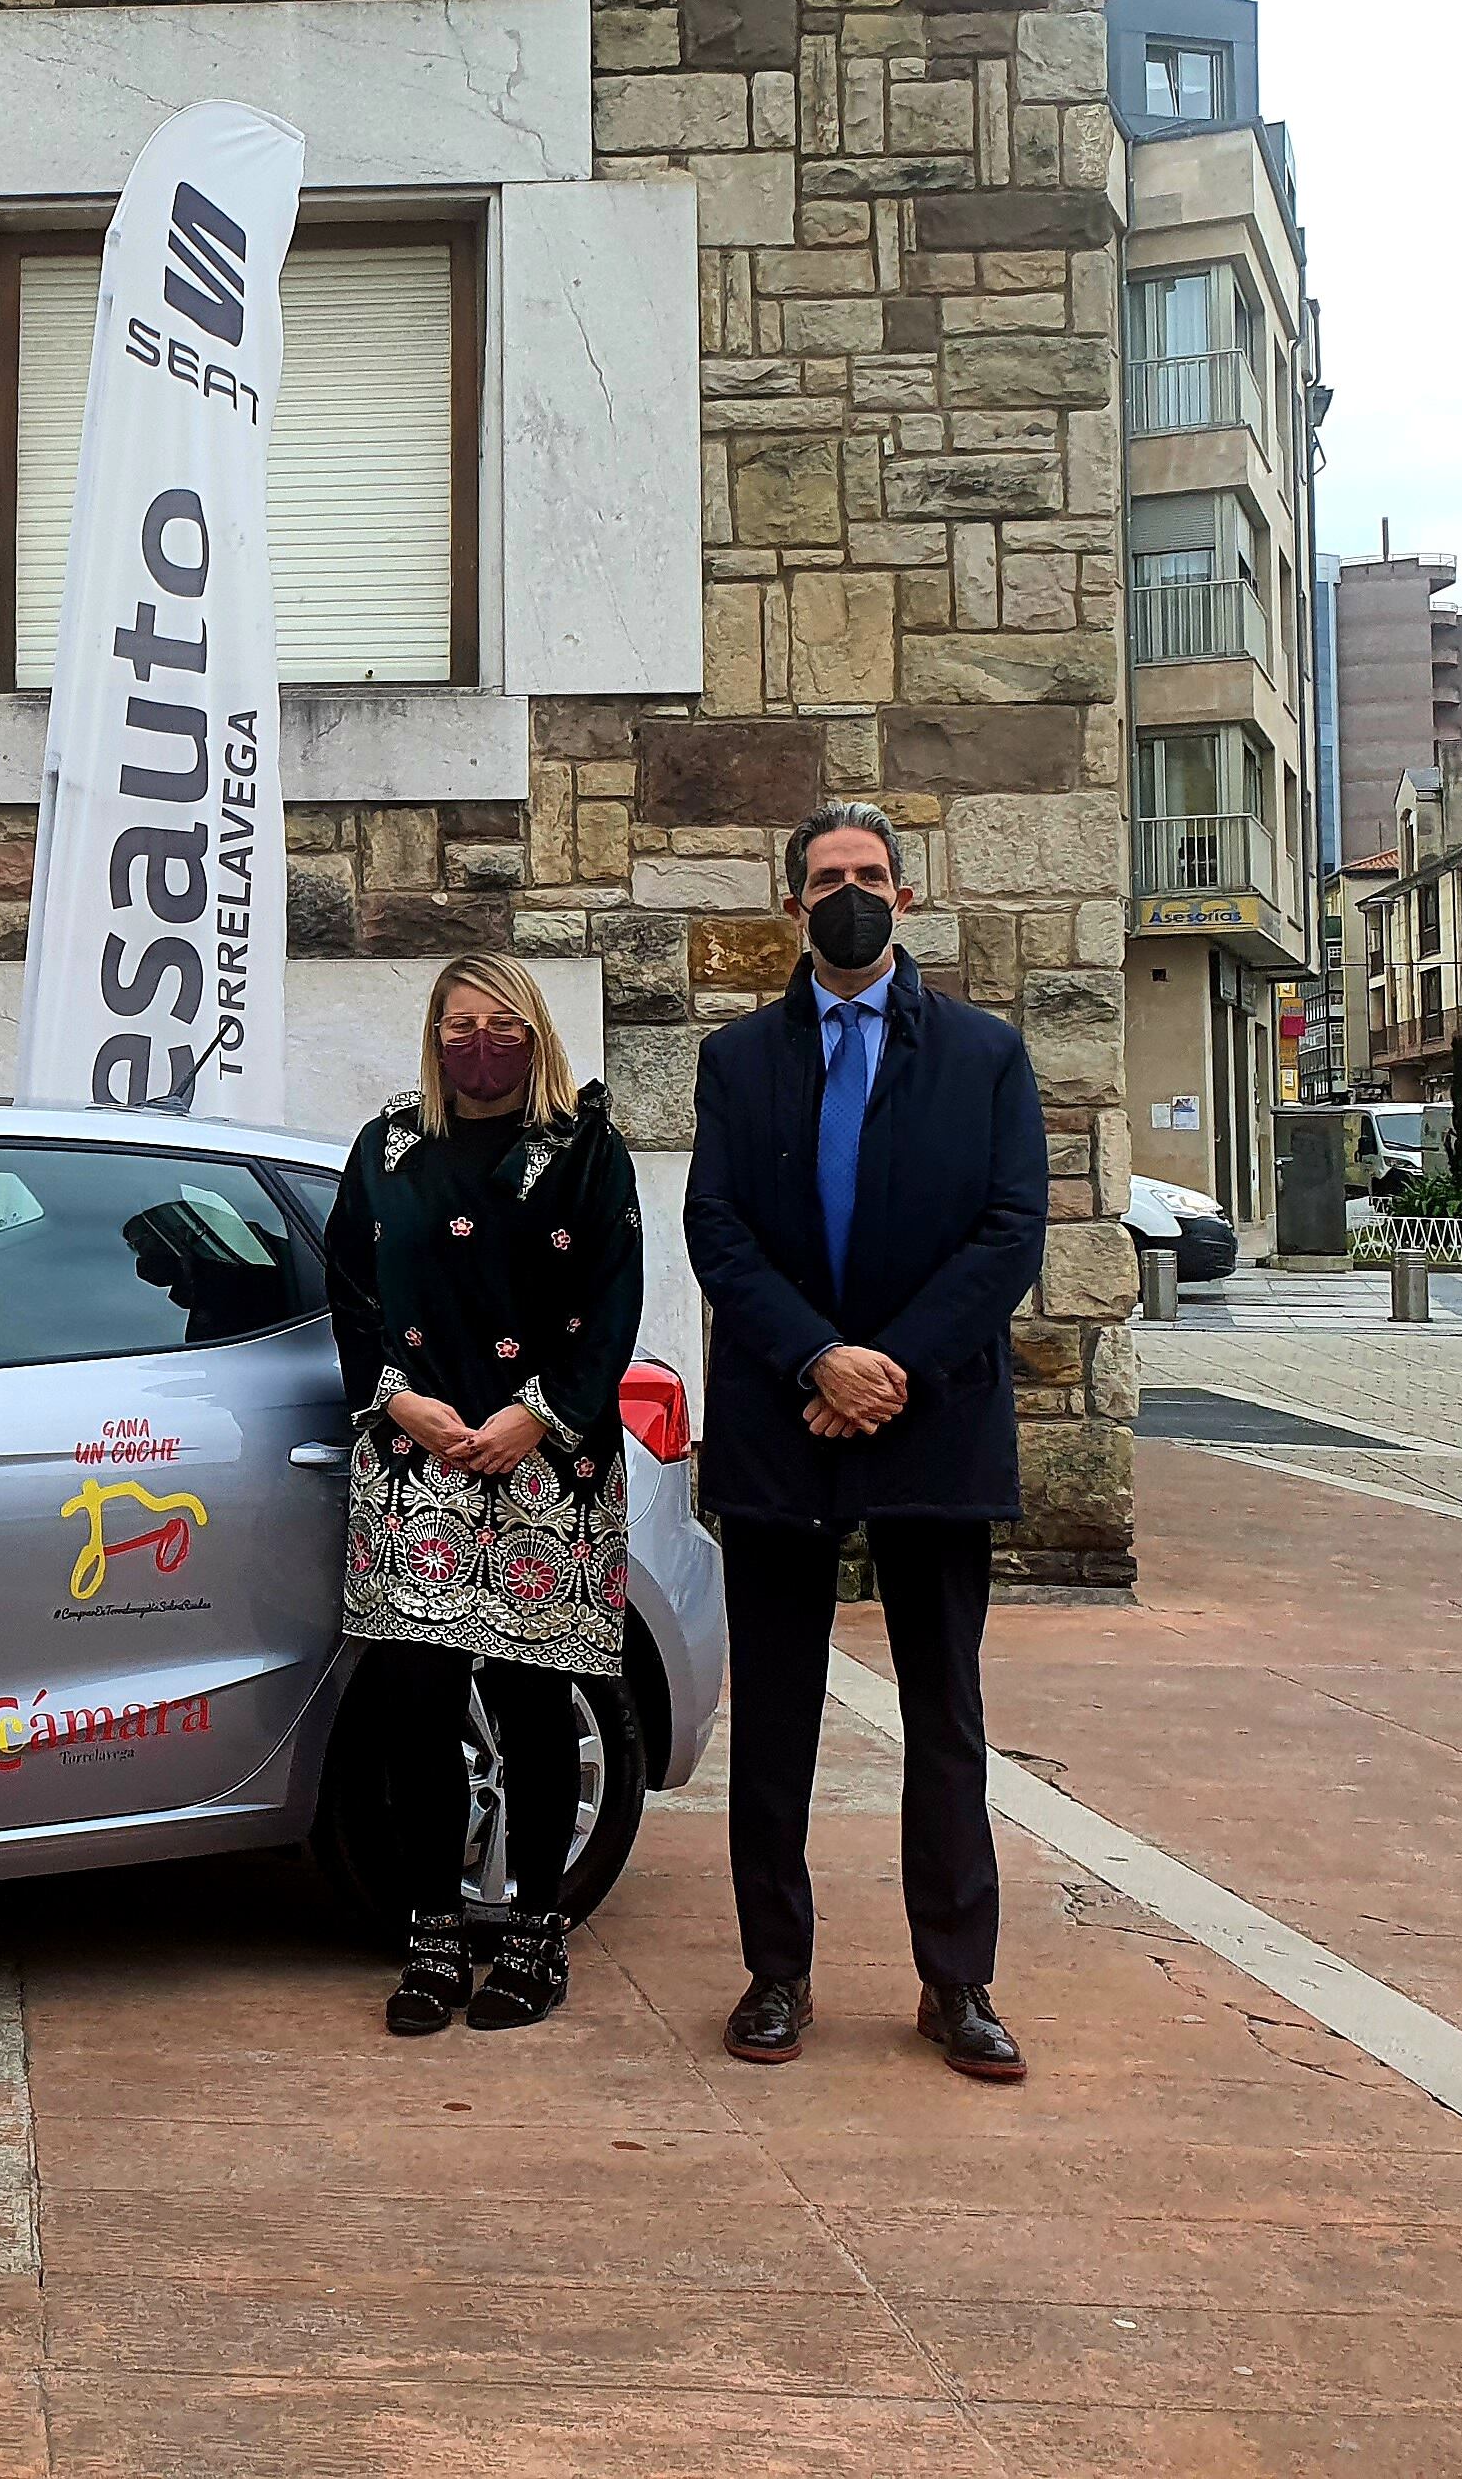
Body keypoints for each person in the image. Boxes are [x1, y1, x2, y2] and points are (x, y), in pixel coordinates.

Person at [686, 802, 1049, 2082]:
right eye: (829, 877)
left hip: (931, 1417)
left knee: (945, 1713)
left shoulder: (985, 1055)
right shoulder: (737, 1063)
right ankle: (775, 1974)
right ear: (793, 905)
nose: (852, 893)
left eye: (873, 876)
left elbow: (1011, 1232)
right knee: (776, 1714)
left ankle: (958, 1984)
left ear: (906, 897)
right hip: (785, 1420)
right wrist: (817, 1360)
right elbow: (718, 1234)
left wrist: (890, 1368)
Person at [324, 956, 645, 2035]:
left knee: (531, 1700)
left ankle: (535, 1935)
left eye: (502, 1023)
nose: (480, 1043)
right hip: (418, 1462)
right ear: (433, 1033)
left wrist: (538, 1416)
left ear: (536, 1031)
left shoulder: (589, 1153)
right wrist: (394, 1399)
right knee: (417, 1706)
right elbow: (352, 1293)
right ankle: (430, 1934)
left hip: (548, 1466)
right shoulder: (387, 1149)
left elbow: (612, 1306)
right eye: (459, 1024)